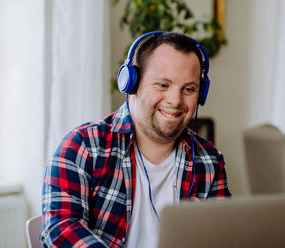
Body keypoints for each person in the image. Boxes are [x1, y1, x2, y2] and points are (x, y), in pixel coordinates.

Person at [41, 31, 231, 248]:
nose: (175, 100)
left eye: (188, 89)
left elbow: (220, 238)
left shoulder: (209, 160)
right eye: (162, 85)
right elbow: (59, 229)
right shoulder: (82, 147)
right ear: (130, 83)